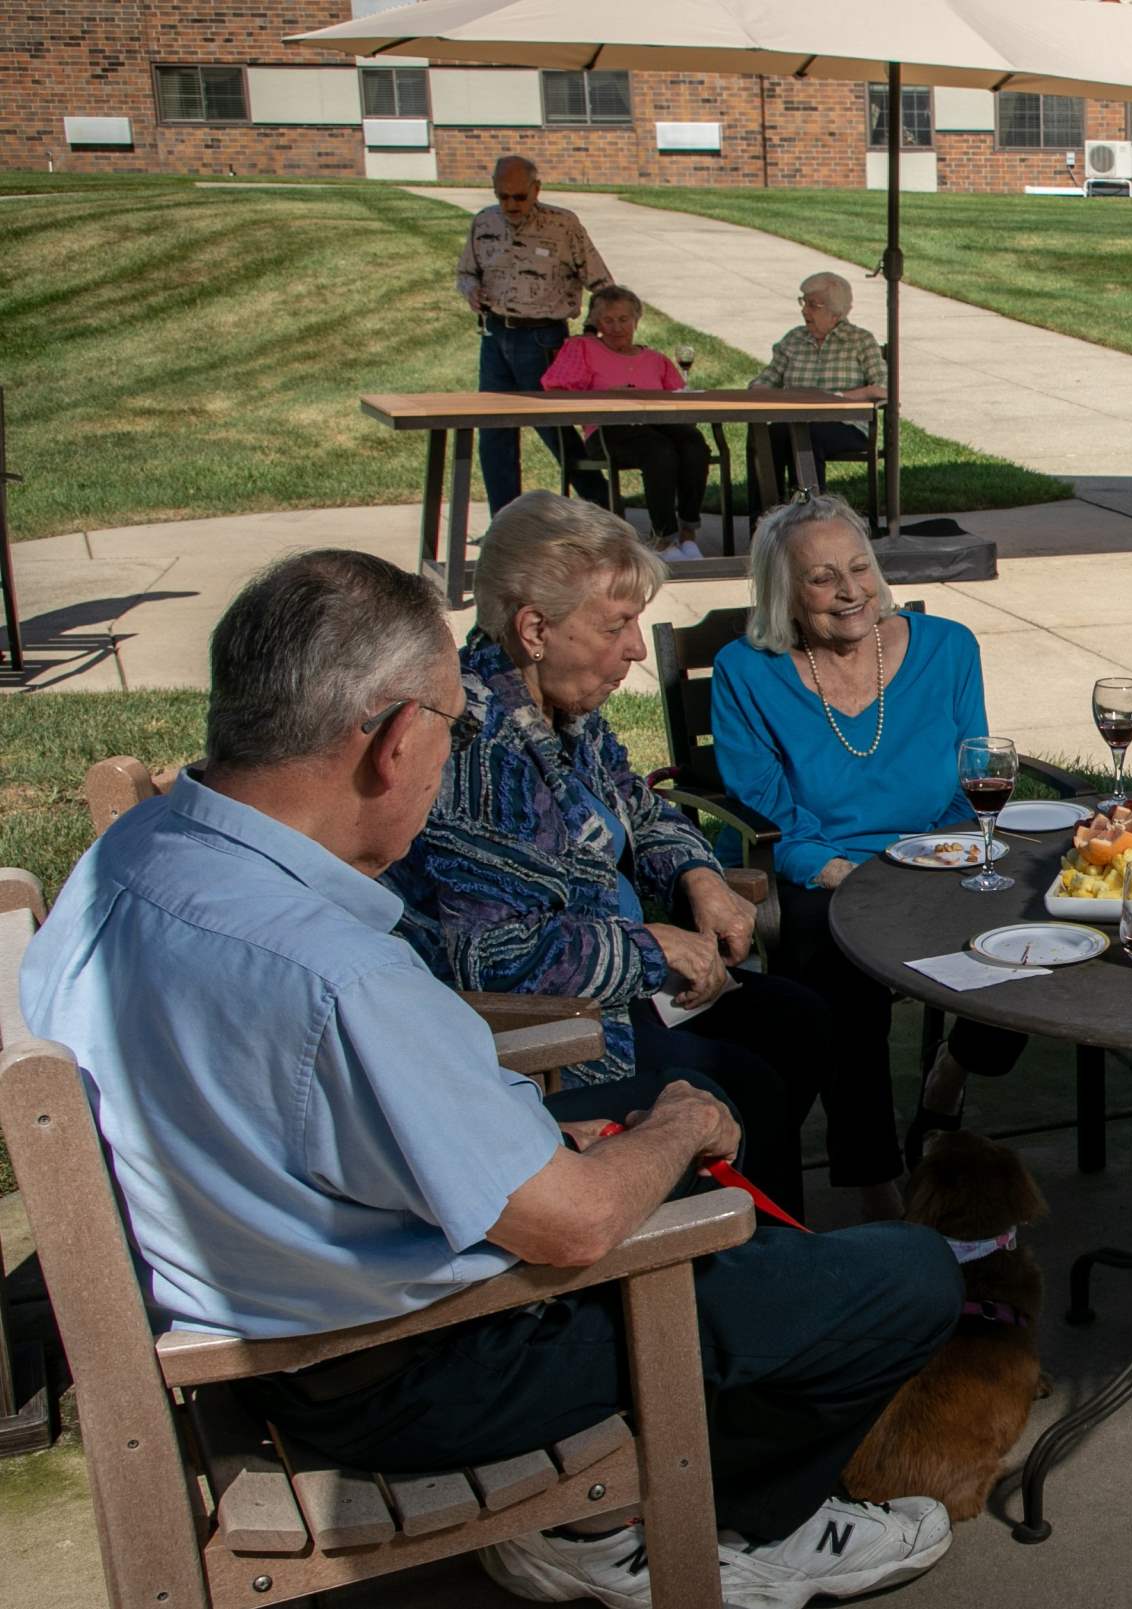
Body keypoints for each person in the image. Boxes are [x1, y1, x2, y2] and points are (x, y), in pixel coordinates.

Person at [21, 548, 961, 1609]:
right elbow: (571, 1228)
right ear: (391, 741)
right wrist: (677, 1125)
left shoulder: (133, 860)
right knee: (905, 1277)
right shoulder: (334, 971)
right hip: (402, 1366)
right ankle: (695, 1528)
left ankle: (646, 1495)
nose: (451, 749)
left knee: (750, 1200)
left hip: (264, 1304)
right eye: (446, 725)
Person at [382, 491, 908, 1223]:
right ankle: (731, 1248)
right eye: (616, 624)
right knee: (742, 1079)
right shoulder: (482, 751)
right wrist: (652, 946)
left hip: (626, 990)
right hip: (553, 1037)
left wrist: (696, 875)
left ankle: (752, 1220)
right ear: (534, 629)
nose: (635, 646)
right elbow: (492, 956)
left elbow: (641, 804)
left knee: (802, 1018)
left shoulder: (560, 711)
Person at [709, 494, 1028, 1166]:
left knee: (1024, 919)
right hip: (821, 867)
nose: (852, 591)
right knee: (839, 962)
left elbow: (971, 776)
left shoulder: (948, 647)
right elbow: (769, 811)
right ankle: (872, 1178)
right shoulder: (746, 671)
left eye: (861, 568)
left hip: (940, 850)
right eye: (823, 578)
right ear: (783, 593)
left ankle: (954, 1070)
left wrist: (948, 856)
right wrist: (841, 875)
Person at [456, 154, 613, 516]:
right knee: (494, 432)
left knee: (554, 430)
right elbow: (466, 272)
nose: (511, 205)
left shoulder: (562, 225)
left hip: (543, 340)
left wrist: (592, 332)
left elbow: (602, 283)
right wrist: (470, 291)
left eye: (519, 197)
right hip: (495, 336)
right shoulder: (483, 222)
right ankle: (504, 520)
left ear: (536, 189)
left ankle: (604, 507)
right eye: (503, 196)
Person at [542, 284, 710, 560]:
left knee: (694, 446)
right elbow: (557, 388)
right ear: (597, 322)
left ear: (636, 320)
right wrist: (606, 396)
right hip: (609, 431)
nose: (617, 327)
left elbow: (680, 399)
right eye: (608, 320)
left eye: (623, 319)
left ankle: (688, 533)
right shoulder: (582, 347)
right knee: (658, 451)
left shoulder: (655, 359)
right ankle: (663, 540)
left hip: (657, 425)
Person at [749, 271, 887, 498]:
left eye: (813, 305)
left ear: (836, 313)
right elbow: (766, 379)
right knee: (764, 436)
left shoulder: (860, 341)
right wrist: (759, 391)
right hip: (794, 421)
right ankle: (764, 519)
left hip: (845, 425)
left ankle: (808, 514)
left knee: (806, 436)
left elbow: (883, 388)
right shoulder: (794, 339)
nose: (804, 310)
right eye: (804, 302)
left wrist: (839, 397)